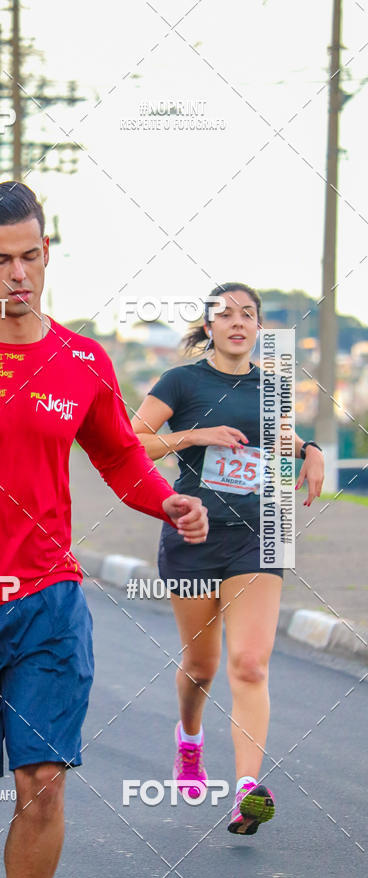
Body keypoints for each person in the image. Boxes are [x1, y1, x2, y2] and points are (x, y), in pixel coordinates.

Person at [0, 181, 209, 878]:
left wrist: (169, 502)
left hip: (47, 600)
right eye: (0, 260)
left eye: (30, 256)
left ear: (46, 251)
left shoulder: (82, 361)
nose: (18, 274)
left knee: (43, 783)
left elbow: (118, 457)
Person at [132, 283, 324, 836]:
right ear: (209, 326)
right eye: (226, 315)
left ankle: (246, 790)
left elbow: (278, 439)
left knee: (249, 664)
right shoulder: (182, 381)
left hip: (257, 537)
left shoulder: (273, 386)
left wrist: (309, 451)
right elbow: (132, 439)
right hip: (193, 534)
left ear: (259, 327)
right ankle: (189, 741)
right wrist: (197, 434)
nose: (238, 322)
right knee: (202, 667)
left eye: (248, 315)